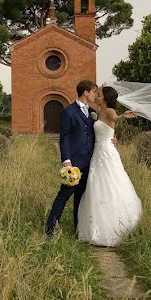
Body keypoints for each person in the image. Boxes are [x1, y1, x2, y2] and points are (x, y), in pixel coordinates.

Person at [76, 85, 141, 247]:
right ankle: (95, 225)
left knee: (109, 184)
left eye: (99, 94)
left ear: (105, 98)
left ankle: (113, 227)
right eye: (96, 93)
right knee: (96, 186)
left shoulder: (110, 111)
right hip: (98, 153)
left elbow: (116, 119)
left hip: (106, 153)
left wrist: (124, 116)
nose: (96, 95)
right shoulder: (97, 112)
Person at [45, 79, 99, 236]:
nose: (96, 95)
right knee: (64, 195)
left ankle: (78, 229)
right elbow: (65, 137)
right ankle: (50, 228)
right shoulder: (68, 112)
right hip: (74, 162)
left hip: (90, 162)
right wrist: (66, 161)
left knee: (81, 198)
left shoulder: (92, 113)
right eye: (94, 92)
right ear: (85, 93)